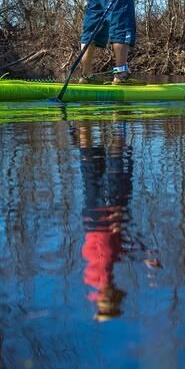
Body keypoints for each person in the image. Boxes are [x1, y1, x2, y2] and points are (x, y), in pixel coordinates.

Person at [75, 122, 133, 321]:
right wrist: (146, 256)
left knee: (88, 159)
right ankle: (118, 119)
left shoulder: (92, 278)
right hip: (105, 213)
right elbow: (122, 246)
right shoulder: (112, 265)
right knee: (114, 161)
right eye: (111, 299)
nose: (108, 296)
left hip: (94, 217)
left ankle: (83, 116)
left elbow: (113, 250)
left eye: (105, 301)